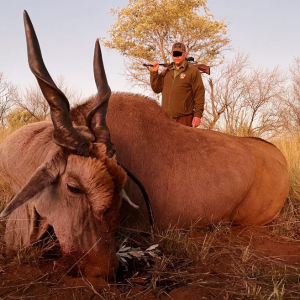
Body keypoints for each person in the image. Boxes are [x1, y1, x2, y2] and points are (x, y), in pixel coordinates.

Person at [149, 42, 205, 127]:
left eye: (180, 53)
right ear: (172, 55)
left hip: (184, 118)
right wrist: (154, 73)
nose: (177, 56)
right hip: (166, 118)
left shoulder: (193, 71)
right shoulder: (166, 71)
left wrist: (198, 115)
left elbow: (199, 93)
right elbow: (156, 89)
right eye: (175, 54)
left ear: (185, 54)